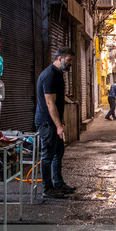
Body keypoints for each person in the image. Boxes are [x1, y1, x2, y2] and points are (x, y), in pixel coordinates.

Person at [35, 47, 77, 199]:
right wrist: (58, 126)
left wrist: (60, 123)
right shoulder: (50, 75)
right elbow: (50, 103)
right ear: (60, 58)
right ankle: (48, 188)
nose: (71, 63)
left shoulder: (58, 74)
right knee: (47, 155)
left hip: (53, 122)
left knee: (58, 152)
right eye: (69, 60)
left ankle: (58, 184)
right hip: (46, 123)